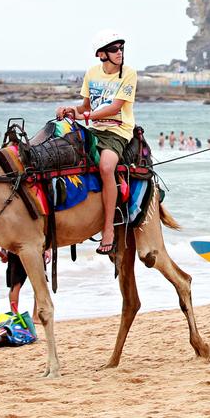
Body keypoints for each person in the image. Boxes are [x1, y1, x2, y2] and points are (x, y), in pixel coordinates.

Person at [56, 29, 138, 254]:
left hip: (117, 131)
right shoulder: (92, 73)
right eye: (114, 49)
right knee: (60, 151)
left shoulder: (129, 74)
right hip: (95, 129)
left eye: (121, 47)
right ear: (101, 54)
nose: (119, 52)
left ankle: (108, 228)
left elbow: (115, 107)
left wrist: (87, 116)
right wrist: (70, 110)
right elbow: (85, 107)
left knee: (106, 166)